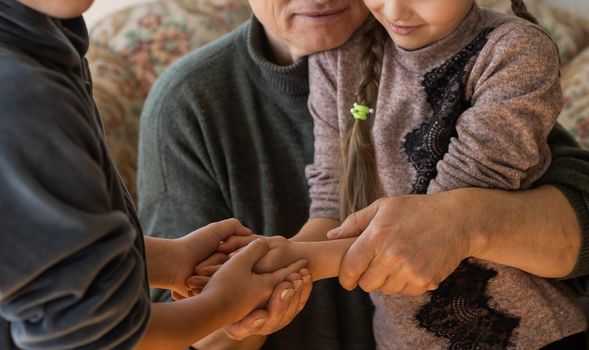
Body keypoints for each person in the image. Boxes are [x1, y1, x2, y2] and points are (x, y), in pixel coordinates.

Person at [138, 0, 589, 349]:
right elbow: (175, 325)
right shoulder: (190, 103)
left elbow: (560, 209)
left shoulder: (496, 55)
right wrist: (247, 288)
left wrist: (275, 264)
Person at [0, 0, 313, 349]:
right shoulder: (19, 93)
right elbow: (90, 336)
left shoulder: (46, 34)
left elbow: (43, 248)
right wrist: (222, 304)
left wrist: (167, 260)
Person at [278, 0, 586, 347]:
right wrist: (275, 261)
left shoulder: (516, 51)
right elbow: (330, 203)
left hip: (533, 337)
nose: (395, 11)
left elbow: (433, 226)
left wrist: (281, 269)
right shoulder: (336, 57)